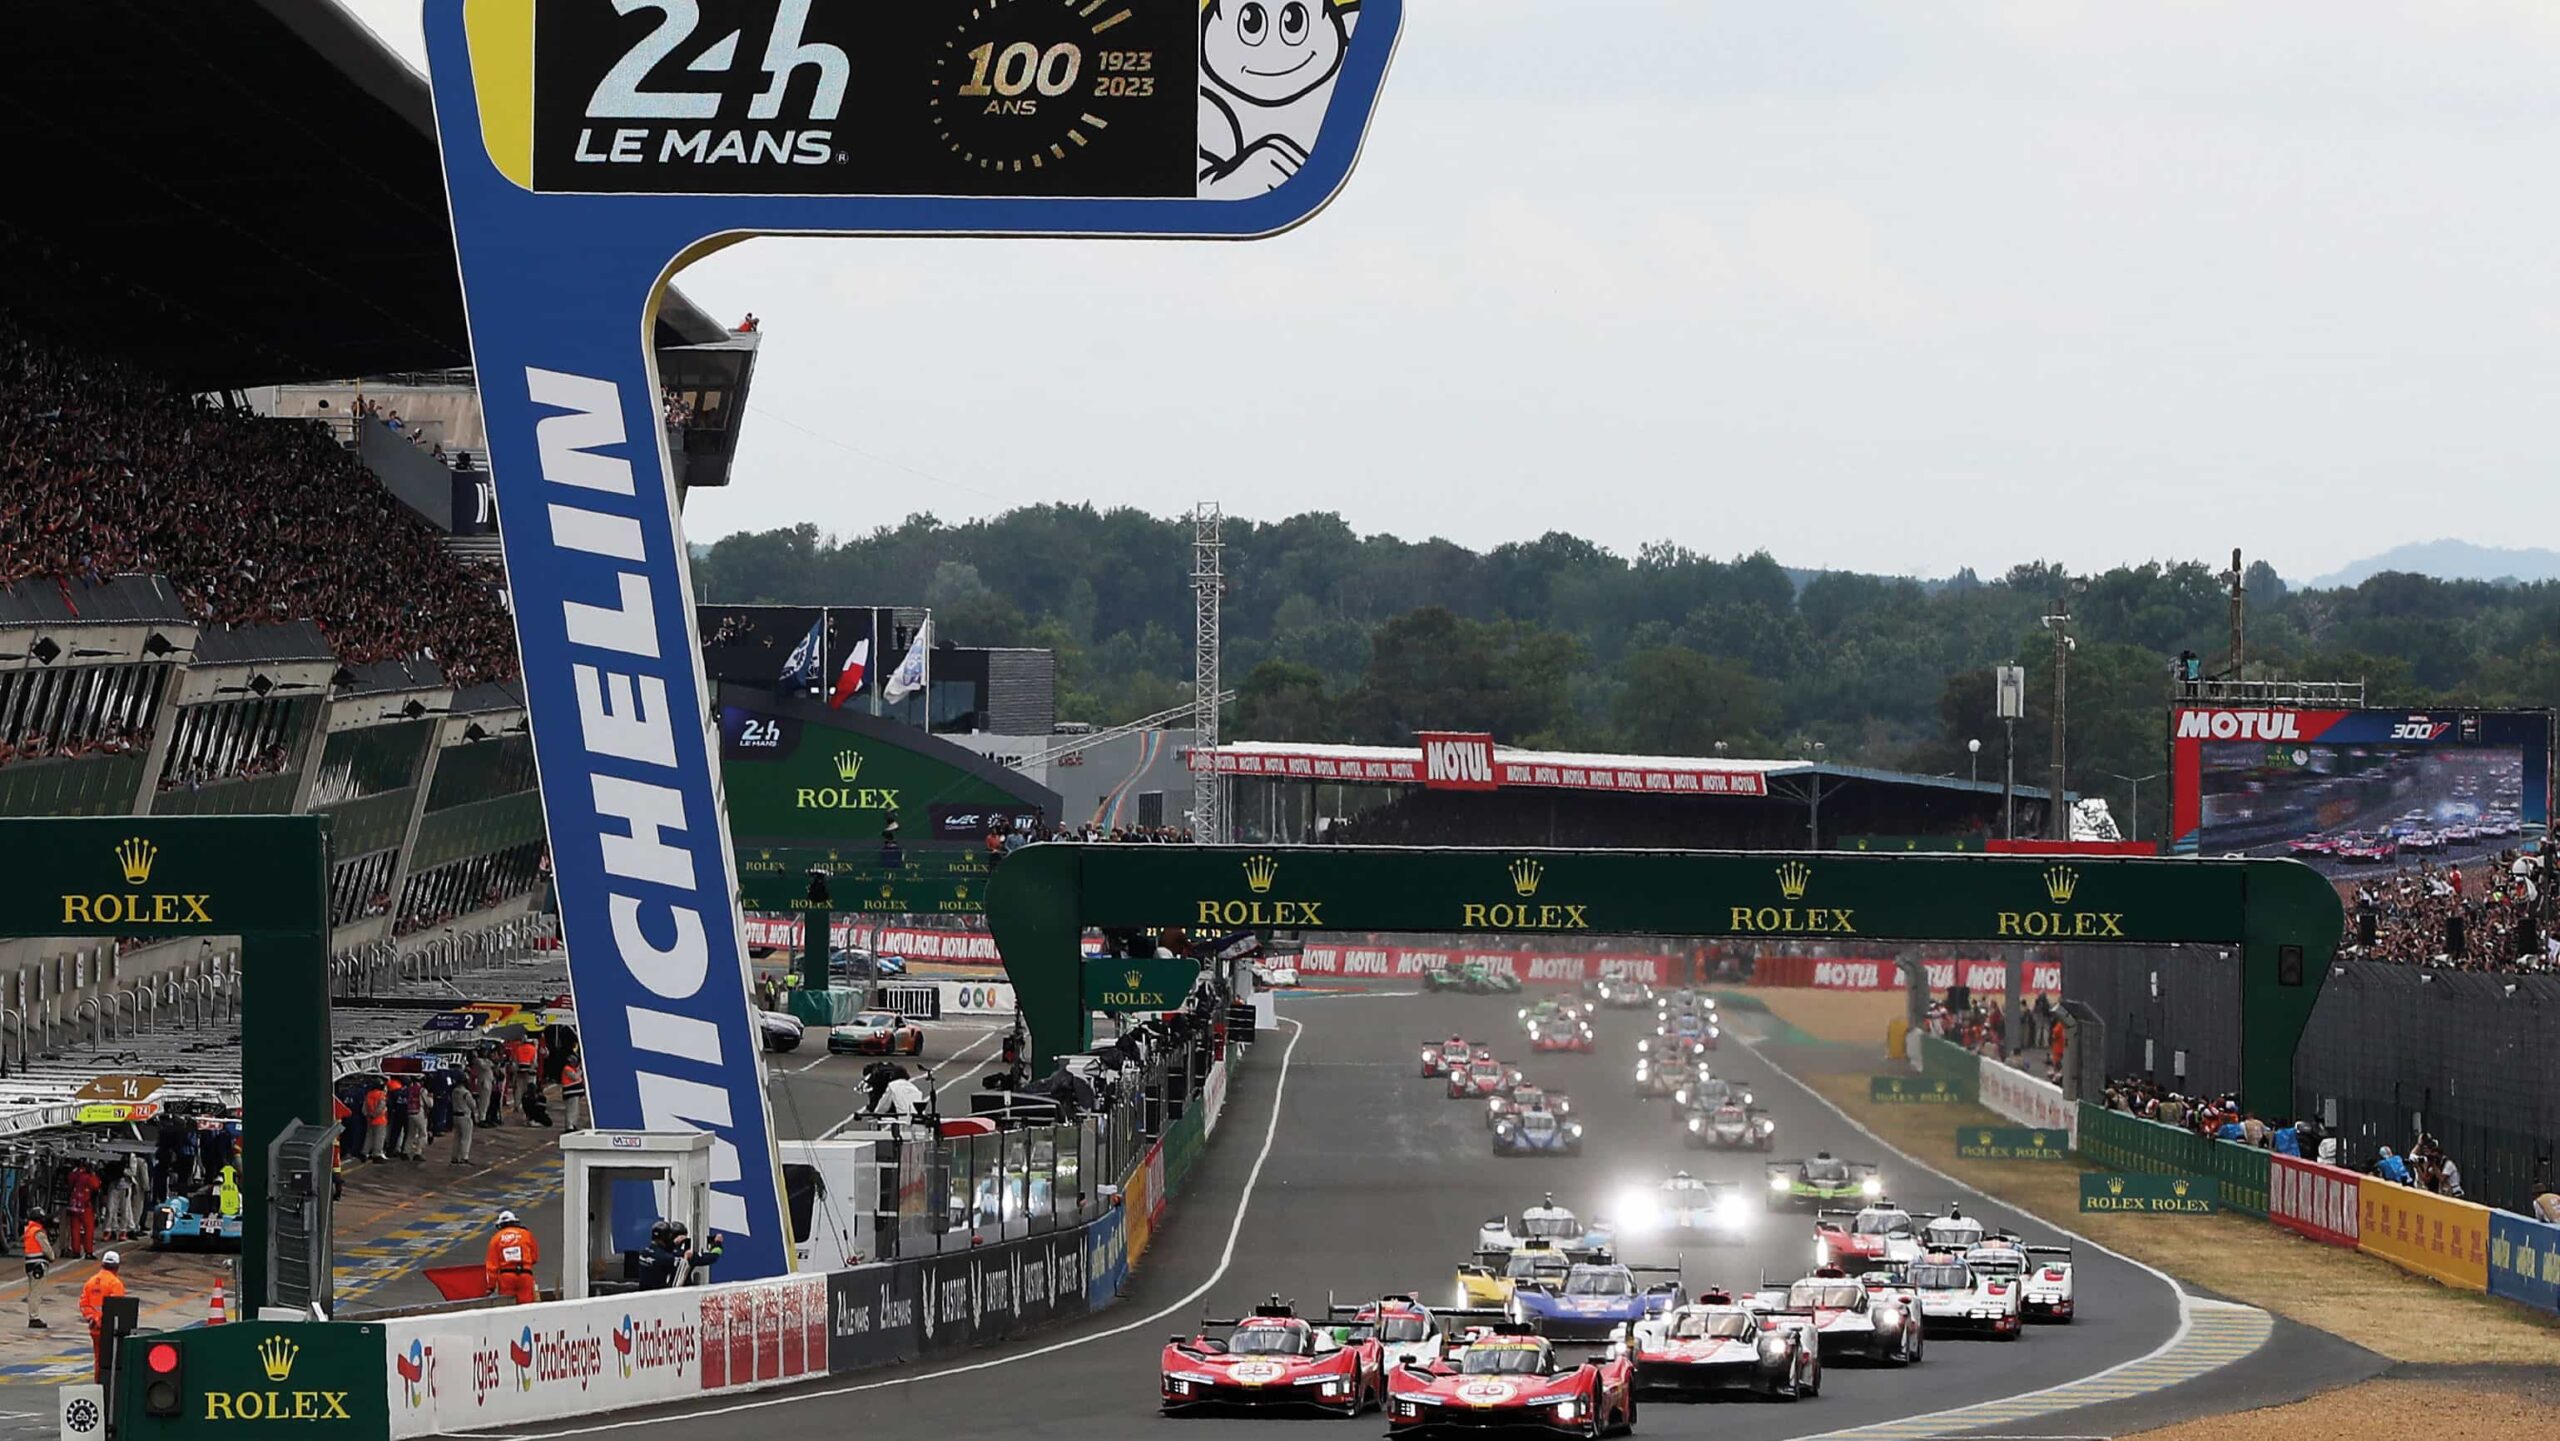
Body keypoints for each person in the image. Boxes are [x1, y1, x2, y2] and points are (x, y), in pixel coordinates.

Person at [79, 1251, 125, 1380]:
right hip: (110, 1330)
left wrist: (92, 1318)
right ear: (117, 1266)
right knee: (113, 1360)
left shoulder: (90, 1282)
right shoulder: (115, 1283)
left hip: (95, 1329)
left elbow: (84, 1304)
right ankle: (109, 1387)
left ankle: (98, 1384)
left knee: (99, 1359)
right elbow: (117, 1308)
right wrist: (101, 1320)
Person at [485, 1209, 539, 1305]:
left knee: (508, 1307)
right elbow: (534, 1257)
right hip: (525, 1275)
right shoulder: (526, 1234)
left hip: (506, 1277)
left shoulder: (496, 1239)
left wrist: (491, 1287)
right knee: (526, 1307)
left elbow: (492, 1267)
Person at [22, 1212, 52, 1330]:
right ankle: (34, 1318)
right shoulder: (38, 1232)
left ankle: (33, 1316)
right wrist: (52, 1257)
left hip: (30, 1264)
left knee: (32, 1291)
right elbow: (46, 1249)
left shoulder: (28, 1230)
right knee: (36, 1292)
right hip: (38, 1265)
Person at [450, 1070, 479, 1165]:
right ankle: (464, 1157)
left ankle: (454, 1157)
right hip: (465, 1117)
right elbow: (473, 1105)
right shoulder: (466, 1093)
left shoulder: (454, 1091)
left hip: (455, 1116)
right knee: (466, 1138)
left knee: (457, 1137)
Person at [362, 1077, 389, 1161]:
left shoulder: (369, 1094)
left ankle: (365, 1152)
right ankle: (377, 1154)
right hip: (380, 1119)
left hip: (369, 1119)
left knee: (369, 1136)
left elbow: (364, 1109)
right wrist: (375, 1114)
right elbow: (381, 1106)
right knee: (379, 1137)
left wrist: (368, 1115)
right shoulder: (381, 1094)